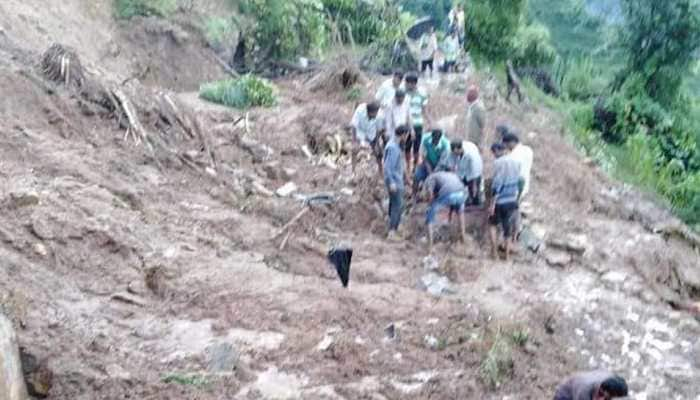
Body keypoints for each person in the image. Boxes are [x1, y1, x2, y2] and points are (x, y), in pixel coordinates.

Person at [488, 142, 523, 261]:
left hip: (500, 201)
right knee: (507, 229)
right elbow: (520, 181)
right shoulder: (517, 161)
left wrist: (492, 204)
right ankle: (507, 257)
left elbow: (496, 184)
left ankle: (494, 254)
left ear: (498, 150)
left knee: (493, 225)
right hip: (512, 200)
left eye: (494, 153)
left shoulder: (498, 163)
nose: (494, 156)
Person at [422, 171, 467, 252]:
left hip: (449, 192)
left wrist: (429, 203)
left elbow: (430, 196)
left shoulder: (429, 179)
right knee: (460, 214)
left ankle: (430, 246)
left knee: (429, 215)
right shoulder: (448, 175)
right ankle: (463, 240)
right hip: (461, 193)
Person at [384, 125, 410, 240]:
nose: (407, 137)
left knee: (393, 203)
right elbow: (388, 167)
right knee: (398, 206)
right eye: (407, 135)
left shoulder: (395, 145)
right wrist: (391, 182)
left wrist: (406, 178)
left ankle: (392, 226)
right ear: (403, 135)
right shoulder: (393, 148)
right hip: (395, 181)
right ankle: (392, 232)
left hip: (397, 179)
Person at [438, 140, 483, 205]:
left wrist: (474, 184)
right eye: (454, 153)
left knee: (474, 190)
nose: (455, 154)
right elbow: (450, 164)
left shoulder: (471, 155)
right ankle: (464, 201)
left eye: (456, 152)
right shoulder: (451, 152)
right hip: (461, 172)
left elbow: (475, 171)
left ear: (460, 149)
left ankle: (476, 203)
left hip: (474, 172)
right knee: (459, 187)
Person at [350, 101, 385, 175]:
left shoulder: (380, 115)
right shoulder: (360, 110)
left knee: (378, 153)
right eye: (374, 114)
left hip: (372, 133)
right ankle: (353, 171)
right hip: (360, 131)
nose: (375, 115)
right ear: (369, 112)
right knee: (354, 150)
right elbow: (354, 125)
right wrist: (354, 141)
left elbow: (379, 130)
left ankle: (380, 171)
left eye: (376, 113)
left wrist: (377, 143)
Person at [414, 129, 450, 196]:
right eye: (434, 140)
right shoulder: (425, 140)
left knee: (437, 180)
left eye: (437, 141)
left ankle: (435, 196)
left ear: (440, 138)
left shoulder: (446, 145)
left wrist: (434, 173)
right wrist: (428, 168)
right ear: (431, 137)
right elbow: (423, 155)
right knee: (416, 176)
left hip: (440, 165)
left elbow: (442, 162)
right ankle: (414, 196)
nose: (435, 143)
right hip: (427, 162)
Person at [405, 73, 429, 174]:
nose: (406, 85)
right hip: (406, 124)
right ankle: (407, 166)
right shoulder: (404, 93)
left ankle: (415, 166)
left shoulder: (422, 94)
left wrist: (429, 121)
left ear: (413, 83)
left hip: (418, 124)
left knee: (416, 148)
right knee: (407, 147)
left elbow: (424, 110)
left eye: (408, 83)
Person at [501, 130, 533, 199]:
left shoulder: (514, 155)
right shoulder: (528, 150)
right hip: (525, 185)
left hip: (514, 188)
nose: (506, 147)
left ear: (512, 142)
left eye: (506, 145)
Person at [554, 371, 629, 400]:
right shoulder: (584, 391)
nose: (600, 399)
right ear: (599, 387)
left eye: (607, 399)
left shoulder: (612, 381)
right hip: (566, 395)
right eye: (600, 394)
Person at [465, 85, 486, 151]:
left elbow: (482, 124)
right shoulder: (471, 106)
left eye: (470, 93)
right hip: (470, 139)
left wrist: (480, 142)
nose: (467, 95)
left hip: (475, 141)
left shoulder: (479, 107)